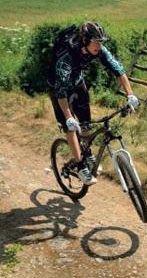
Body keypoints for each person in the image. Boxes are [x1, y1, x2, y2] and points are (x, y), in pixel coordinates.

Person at [47, 21, 139, 185]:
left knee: (86, 124)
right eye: (96, 42)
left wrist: (130, 94)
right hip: (58, 88)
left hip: (77, 82)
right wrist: (68, 117)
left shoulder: (98, 50)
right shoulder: (67, 57)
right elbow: (61, 93)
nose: (99, 46)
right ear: (84, 40)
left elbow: (118, 69)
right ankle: (81, 167)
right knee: (71, 126)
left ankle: (86, 152)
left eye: (101, 42)